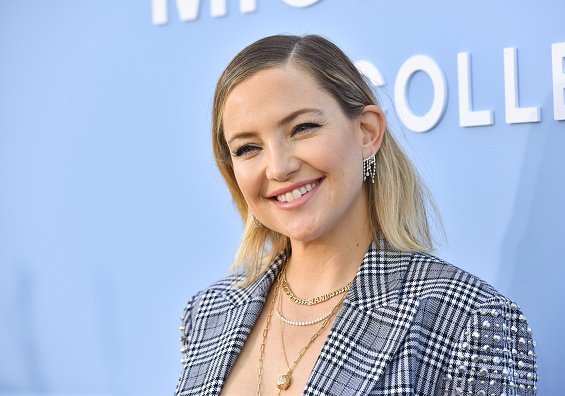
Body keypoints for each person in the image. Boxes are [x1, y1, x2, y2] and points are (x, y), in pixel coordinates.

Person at [174, 34, 538, 396]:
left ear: (367, 132)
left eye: (303, 128)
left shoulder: (466, 318)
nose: (278, 167)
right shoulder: (208, 312)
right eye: (248, 148)